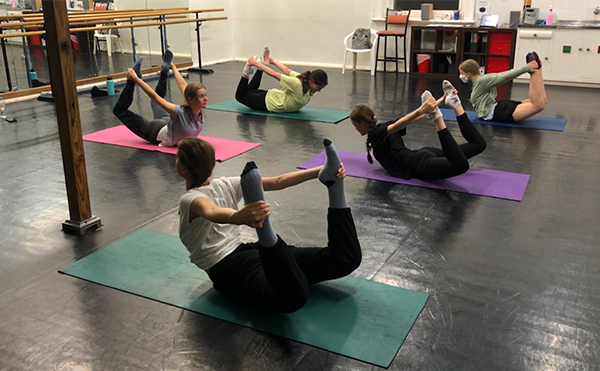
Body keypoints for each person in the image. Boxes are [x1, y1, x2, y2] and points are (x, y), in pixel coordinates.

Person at [177, 137, 362, 313]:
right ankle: (268, 236)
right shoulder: (219, 186)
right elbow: (277, 182)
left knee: (295, 293)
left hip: (233, 264)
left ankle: (266, 233)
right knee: (340, 261)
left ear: (184, 169)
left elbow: (212, 211)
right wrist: (320, 170)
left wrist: (322, 171)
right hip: (242, 259)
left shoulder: (191, 197)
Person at [350, 81, 487, 180]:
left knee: (461, 166)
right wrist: (442, 99)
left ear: (363, 123)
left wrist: (424, 109)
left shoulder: (375, 134)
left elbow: (401, 124)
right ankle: (456, 104)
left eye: (355, 125)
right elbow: (407, 120)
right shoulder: (382, 128)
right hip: (424, 154)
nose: (355, 128)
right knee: (479, 145)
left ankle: (437, 117)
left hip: (418, 164)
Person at [113, 50, 207, 147]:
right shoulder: (180, 112)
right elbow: (154, 96)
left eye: (205, 95)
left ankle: (164, 72)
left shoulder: (196, 109)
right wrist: (136, 79)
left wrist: (173, 68)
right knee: (119, 110)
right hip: (156, 131)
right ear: (191, 99)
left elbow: (182, 85)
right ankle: (130, 82)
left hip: (168, 123)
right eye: (201, 96)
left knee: (157, 102)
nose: (205, 99)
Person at [458, 51, 546, 123]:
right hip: (499, 107)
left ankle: (535, 70)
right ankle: (538, 68)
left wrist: (527, 68)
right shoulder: (480, 80)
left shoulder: (481, 81)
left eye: (462, 73)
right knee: (542, 101)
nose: (461, 76)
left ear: (468, 74)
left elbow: (505, 76)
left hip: (498, 112)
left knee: (539, 105)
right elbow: (503, 75)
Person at [235, 46, 328, 113]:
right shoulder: (297, 84)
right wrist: (255, 63)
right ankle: (246, 73)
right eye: (319, 87)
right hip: (268, 103)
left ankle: (260, 67)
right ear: (312, 82)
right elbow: (275, 74)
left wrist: (273, 61)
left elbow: (287, 71)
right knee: (240, 96)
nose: (319, 90)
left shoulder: (306, 81)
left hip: (273, 97)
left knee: (250, 90)